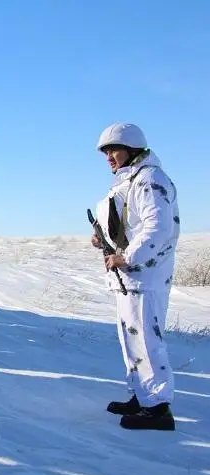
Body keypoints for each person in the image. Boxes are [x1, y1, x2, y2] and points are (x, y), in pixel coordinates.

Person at [93, 123, 180, 431]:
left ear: (133, 150)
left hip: (144, 276)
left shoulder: (150, 180)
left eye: (113, 150)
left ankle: (157, 409)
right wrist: (104, 237)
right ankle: (143, 395)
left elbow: (158, 229)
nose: (109, 157)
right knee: (132, 339)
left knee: (146, 340)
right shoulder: (129, 181)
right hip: (130, 278)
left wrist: (127, 257)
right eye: (105, 152)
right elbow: (130, 224)